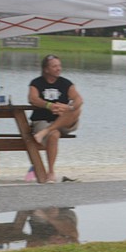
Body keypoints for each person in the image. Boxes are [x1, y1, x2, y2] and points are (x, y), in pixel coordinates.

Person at [28, 54, 83, 183]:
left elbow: (79, 99)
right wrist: (49, 105)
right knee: (54, 134)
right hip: (42, 121)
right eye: (54, 66)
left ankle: (45, 132)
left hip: (65, 121)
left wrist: (67, 107)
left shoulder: (66, 83)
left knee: (76, 109)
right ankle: (51, 172)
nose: (58, 68)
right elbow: (33, 99)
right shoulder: (36, 83)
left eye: (59, 66)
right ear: (46, 69)